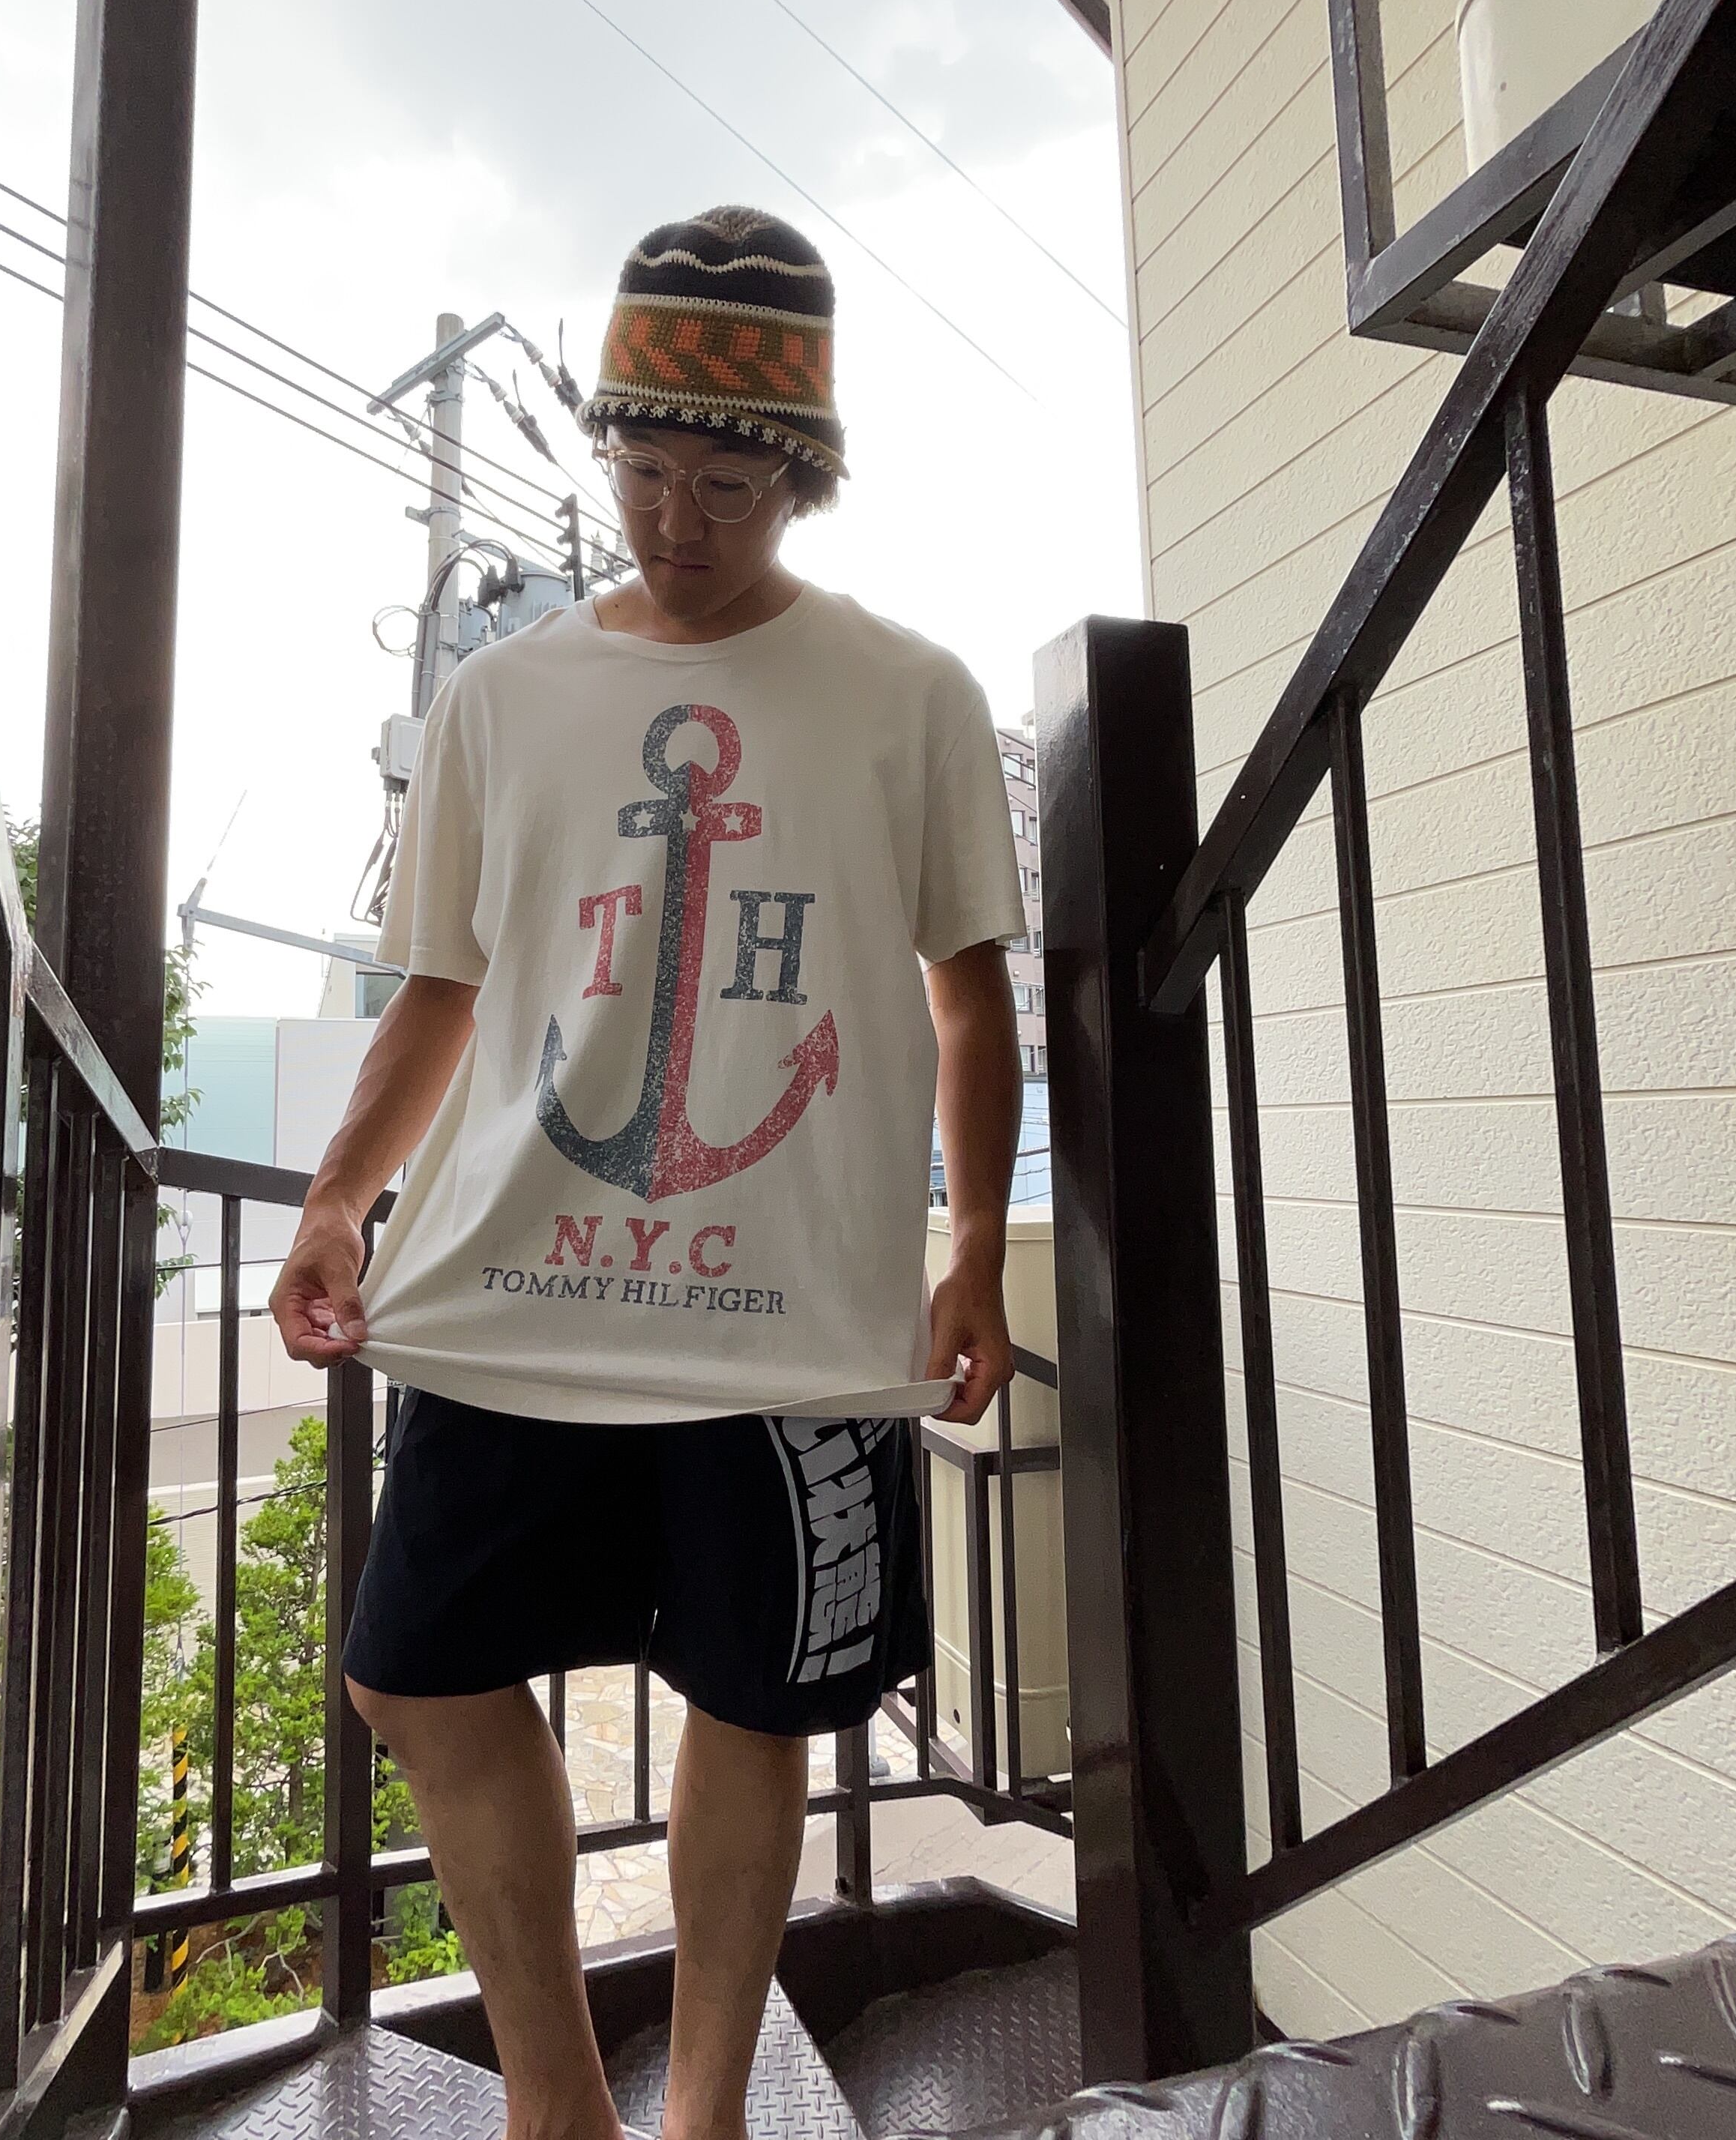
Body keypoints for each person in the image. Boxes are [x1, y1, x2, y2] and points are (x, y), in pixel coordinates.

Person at [271, 205, 1025, 2140]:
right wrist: (342, 1194)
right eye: (642, 470)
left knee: (756, 1703)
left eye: (724, 483)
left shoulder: (909, 695)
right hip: (520, 1286)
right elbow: (443, 986)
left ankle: (703, 2111)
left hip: (789, 1315)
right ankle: (556, 2104)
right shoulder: (502, 698)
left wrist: (973, 1246)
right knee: (414, 1677)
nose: (675, 519)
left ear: (803, 476)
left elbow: (967, 1000)